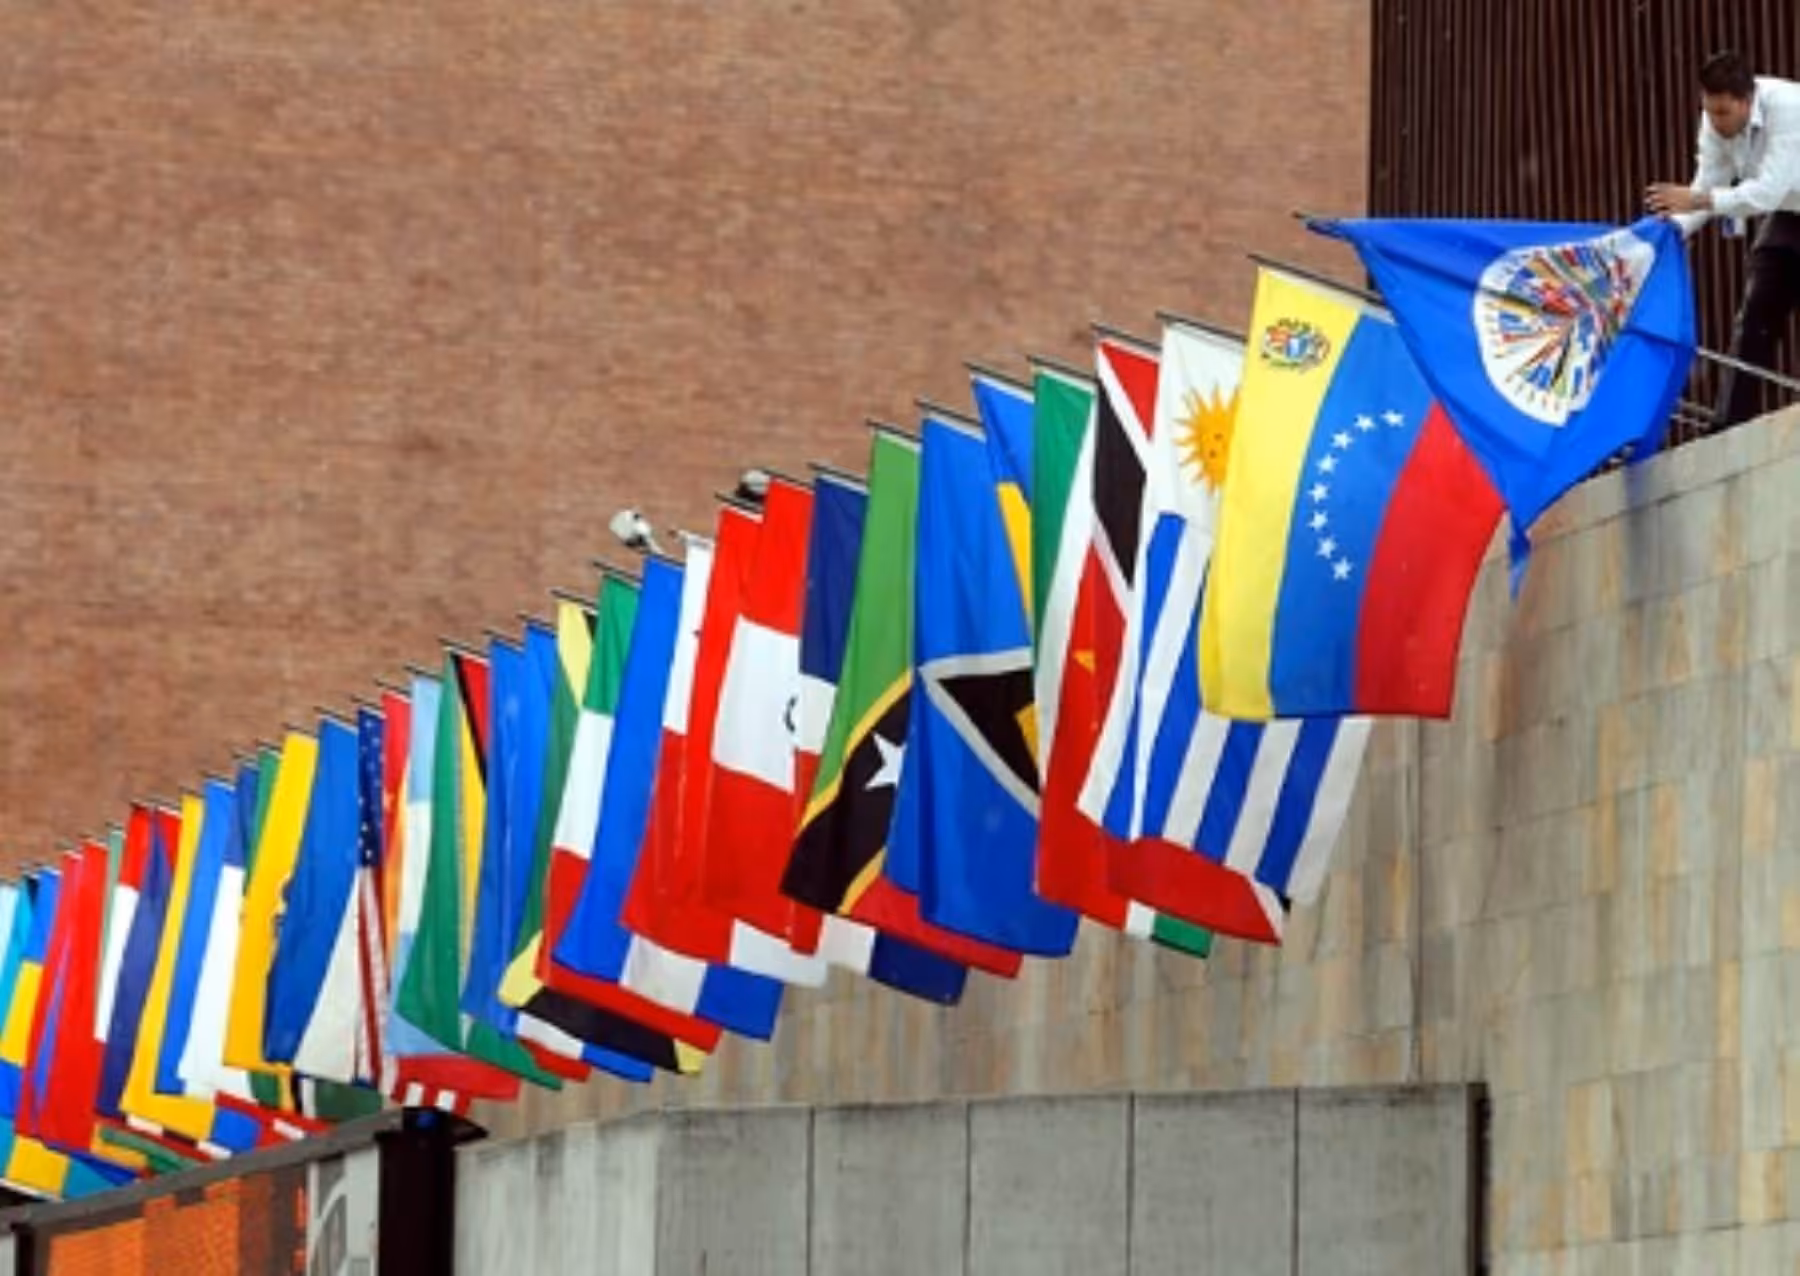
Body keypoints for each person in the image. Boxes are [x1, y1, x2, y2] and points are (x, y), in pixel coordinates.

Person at [1646, 51, 1800, 429]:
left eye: (1723, 114)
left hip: (1780, 196)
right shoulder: (1713, 124)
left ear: (1747, 101)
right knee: (1758, 304)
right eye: (1709, 111)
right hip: (1791, 209)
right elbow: (1708, 183)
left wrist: (1699, 200)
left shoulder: (1789, 108)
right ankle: (1730, 422)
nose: (1716, 123)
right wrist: (1673, 231)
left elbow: (1765, 192)